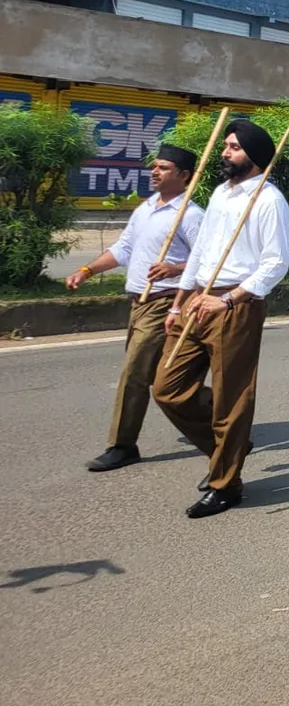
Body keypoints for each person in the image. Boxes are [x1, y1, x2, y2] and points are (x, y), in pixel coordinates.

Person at [154, 119, 289, 519]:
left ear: (254, 156)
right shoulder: (219, 192)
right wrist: (179, 302)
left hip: (236, 305)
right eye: (226, 145)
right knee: (167, 388)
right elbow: (200, 251)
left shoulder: (268, 200)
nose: (225, 152)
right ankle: (229, 446)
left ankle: (225, 483)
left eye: (234, 147)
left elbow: (275, 263)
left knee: (232, 397)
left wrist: (228, 300)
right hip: (199, 298)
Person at [72, 144, 203, 473]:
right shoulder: (146, 208)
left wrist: (174, 269)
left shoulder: (190, 215)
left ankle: (122, 445)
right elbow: (123, 249)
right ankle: (223, 418)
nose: (154, 172)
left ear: (184, 176)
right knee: (166, 378)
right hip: (139, 303)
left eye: (163, 168)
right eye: (154, 166)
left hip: (166, 302)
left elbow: (208, 261)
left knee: (133, 374)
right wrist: (87, 270)